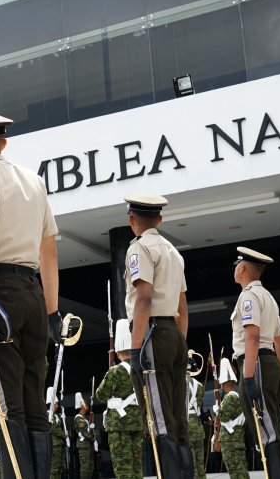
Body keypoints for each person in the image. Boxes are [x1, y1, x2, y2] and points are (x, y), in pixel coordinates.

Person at [0, 107, 61, 478]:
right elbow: (48, 252)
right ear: (4, 142)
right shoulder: (34, 181)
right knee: (34, 405)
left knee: (6, 408)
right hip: (34, 293)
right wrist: (52, 313)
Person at [123, 192, 190, 477]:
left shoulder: (139, 249)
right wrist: (180, 342)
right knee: (177, 417)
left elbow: (144, 299)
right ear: (159, 219)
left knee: (158, 418)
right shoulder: (173, 251)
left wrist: (136, 348)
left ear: (131, 220)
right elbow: (183, 307)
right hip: (174, 333)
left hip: (151, 333)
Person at [229, 247, 280, 465]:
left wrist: (247, 376)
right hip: (270, 363)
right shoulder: (268, 297)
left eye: (237, 265)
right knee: (271, 424)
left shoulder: (248, 296)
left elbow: (253, 336)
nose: (235, 270)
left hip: (255, 364)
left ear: (243, 268)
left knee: (265, 428)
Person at [96, 318, 146, 479]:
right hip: (137, 420)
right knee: (137, 466)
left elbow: (100, 395)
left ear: (117, 352)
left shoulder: (115, 371)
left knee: (123, 467)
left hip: (119, 423)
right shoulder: (141, 369)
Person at [214, 357, 248, 479]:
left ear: (223, 384)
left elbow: (223, 417)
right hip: (236, 437)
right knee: (240, 469)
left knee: (235, 471)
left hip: (230, 440)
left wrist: (217, 409)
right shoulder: (238, 396)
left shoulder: (230, 397)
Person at [186, 368, 206, 479]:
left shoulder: (179, 383)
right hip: (198, 427)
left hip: (187, 426)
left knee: (191, 465)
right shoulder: (199, 385)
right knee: (200, 464)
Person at [73, 393, 95, 479]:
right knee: (85, 468)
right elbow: (84, 432)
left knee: (90, 467)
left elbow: (88, 431)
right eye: (86, 405)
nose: (88, 406)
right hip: (83, 446)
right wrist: (93, 439)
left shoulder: (84, 419)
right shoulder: (78, 418)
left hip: (88, 445)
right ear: (82, 406)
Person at [47, 389, 67, 479]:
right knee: (54, 469)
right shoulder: (49, 415)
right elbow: (55, 429)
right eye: (56, 404)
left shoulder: (55, 415)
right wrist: (65, 436)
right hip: (54, 445)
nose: (57, 406)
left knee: (59, 469)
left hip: (59, 444)